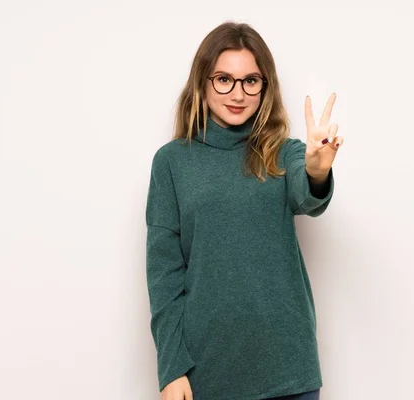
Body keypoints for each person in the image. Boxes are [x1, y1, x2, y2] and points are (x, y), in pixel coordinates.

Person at [145, 21, 343, 400]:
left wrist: (319, 168)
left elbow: (307, 194)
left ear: (264, 86)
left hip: (288, 367)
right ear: (202, 83)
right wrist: (171, 369)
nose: (238, 93)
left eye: (251, 81)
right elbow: (164, 276)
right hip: (207, 372)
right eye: (224, 79)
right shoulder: (171, 163)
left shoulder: (284, 151)